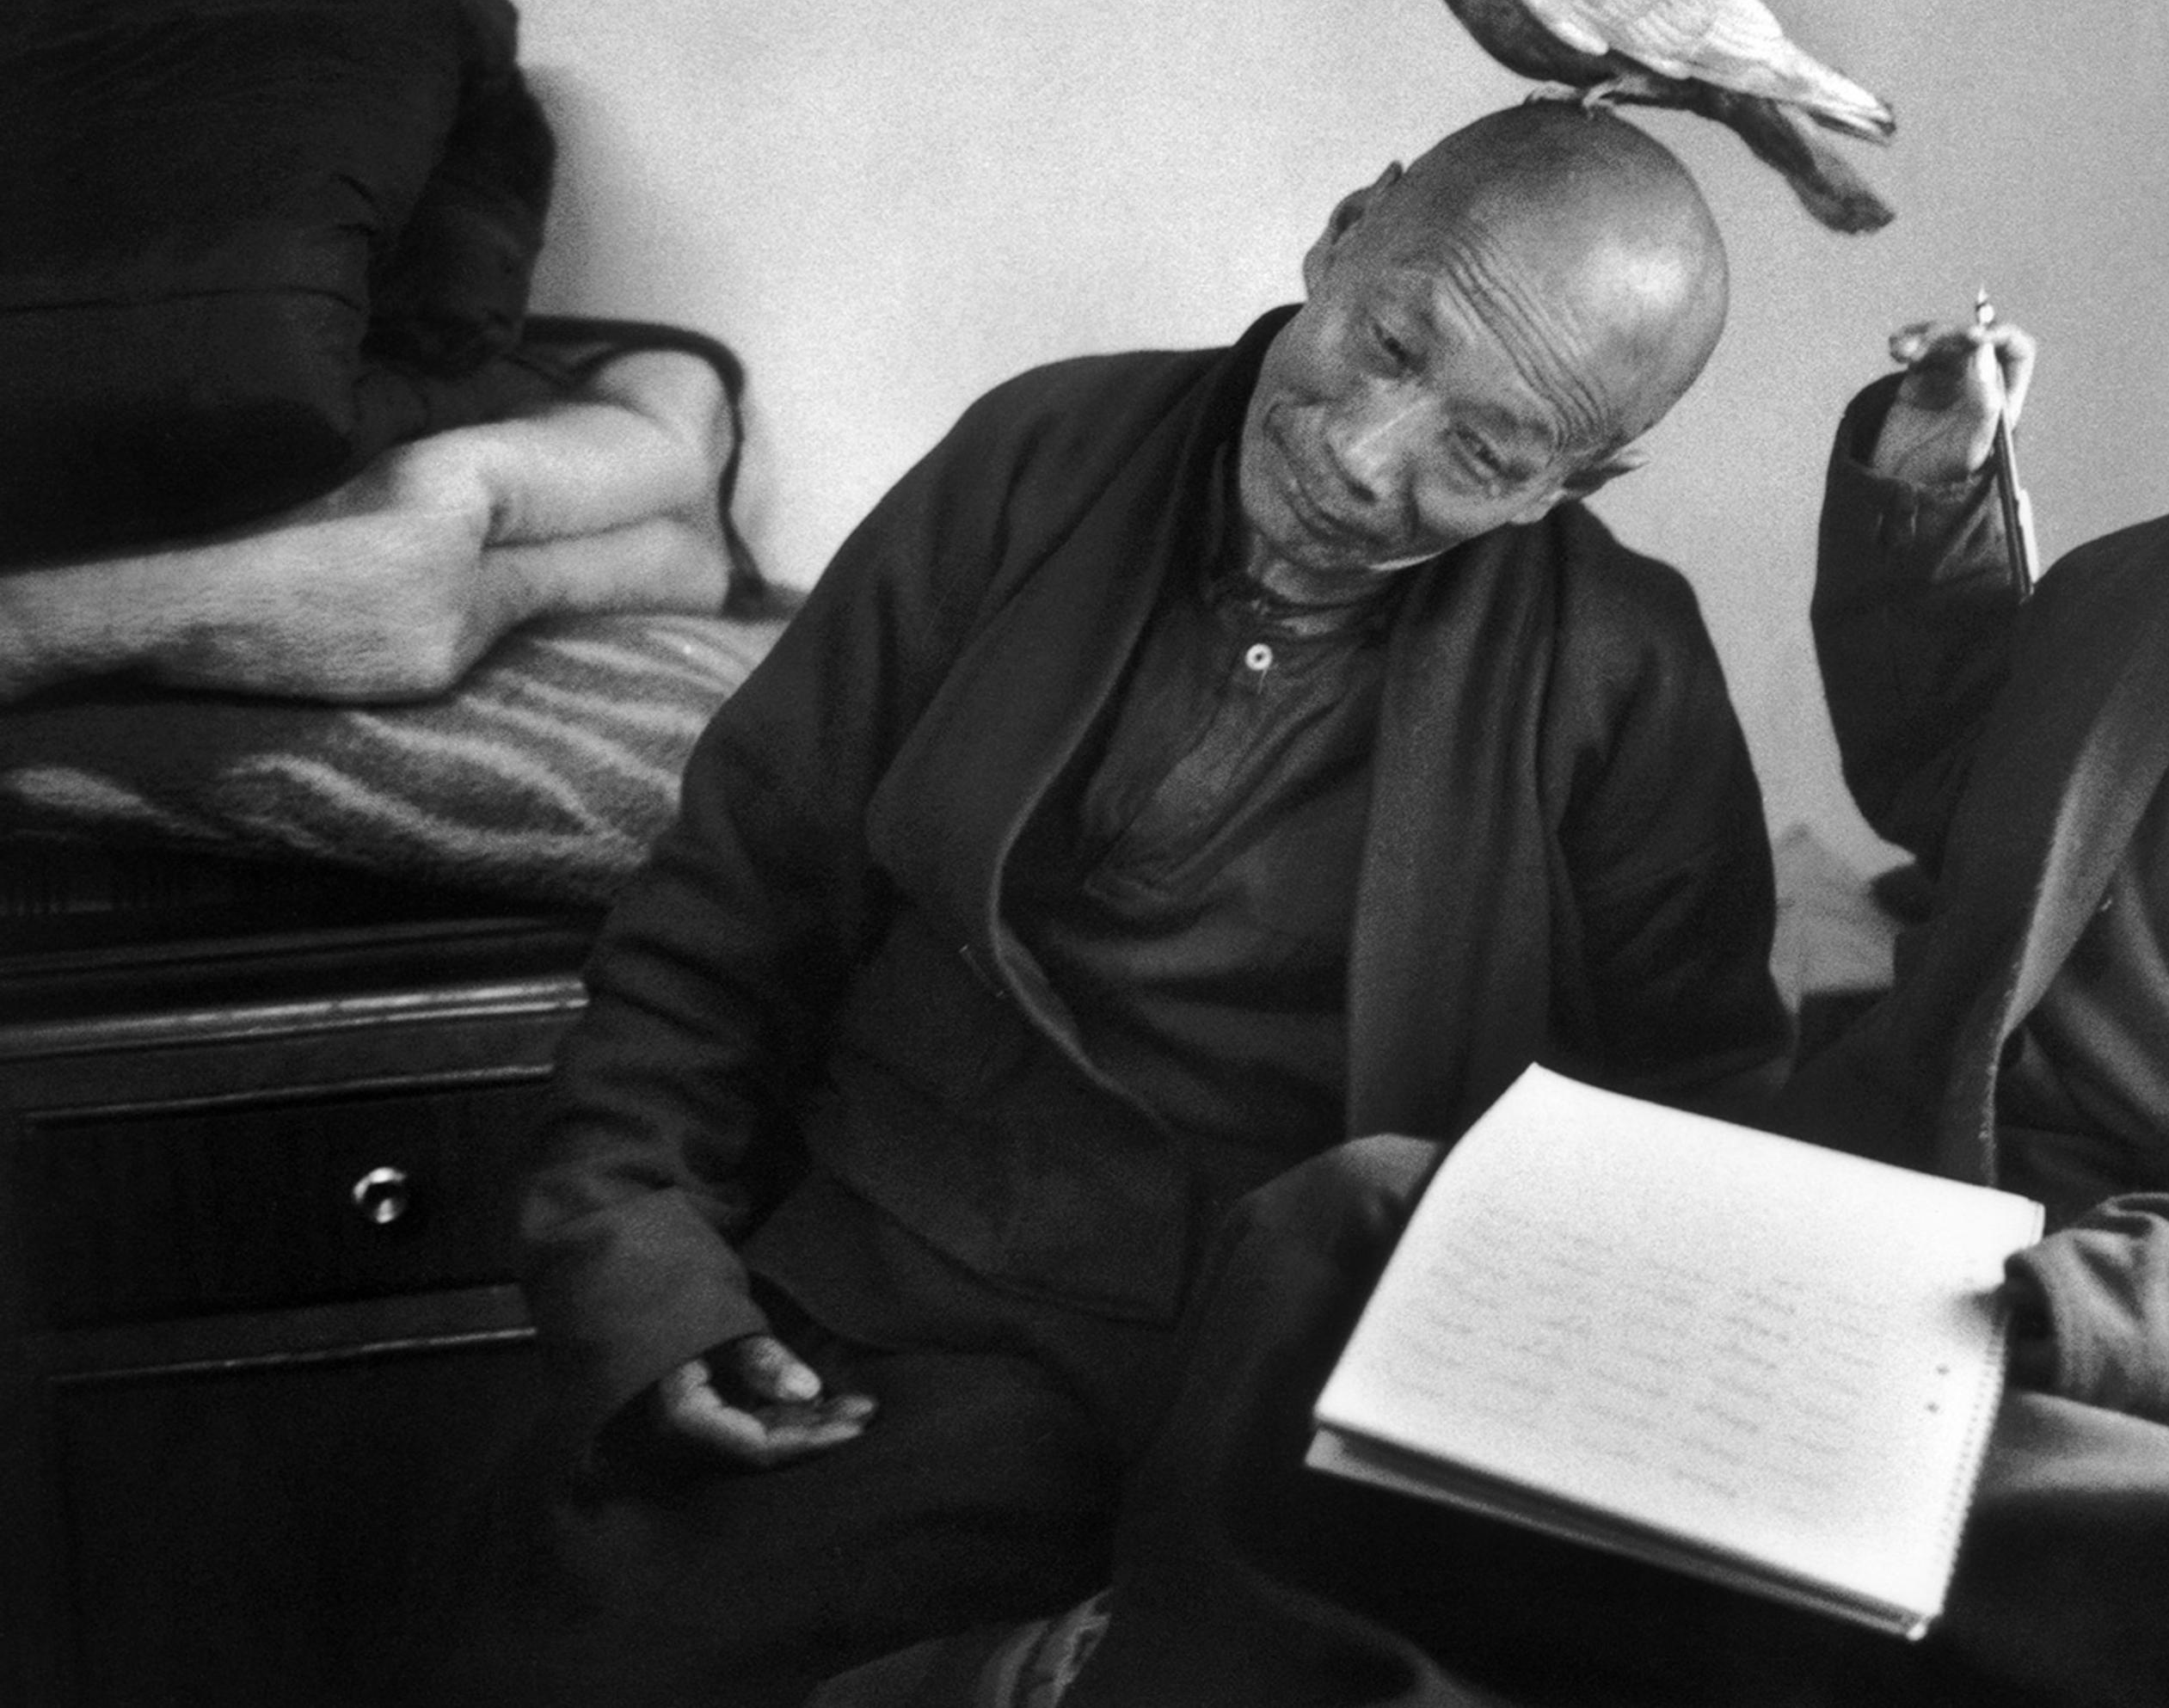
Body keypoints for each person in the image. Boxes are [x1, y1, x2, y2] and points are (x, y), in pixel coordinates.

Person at [1070, 90, 2169, 1708]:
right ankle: (1793, 1595)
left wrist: (2133, 1301)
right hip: (1874, 1276)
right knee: (1346, 1224)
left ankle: (1645, 1578)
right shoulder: (2140, 599)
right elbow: (1953, 774)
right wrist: (1930, 485)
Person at [434, 101, 1791, 1706]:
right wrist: (645, 1270)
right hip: (897, 1332)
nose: (1365, 456)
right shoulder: (1037, 464)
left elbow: (1693, 1125)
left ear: (1575, 482)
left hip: (1322, 1401)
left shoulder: (1620, 663)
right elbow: (734, 901)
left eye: (1482, 453)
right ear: (1347, 229)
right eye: (1389, 343)